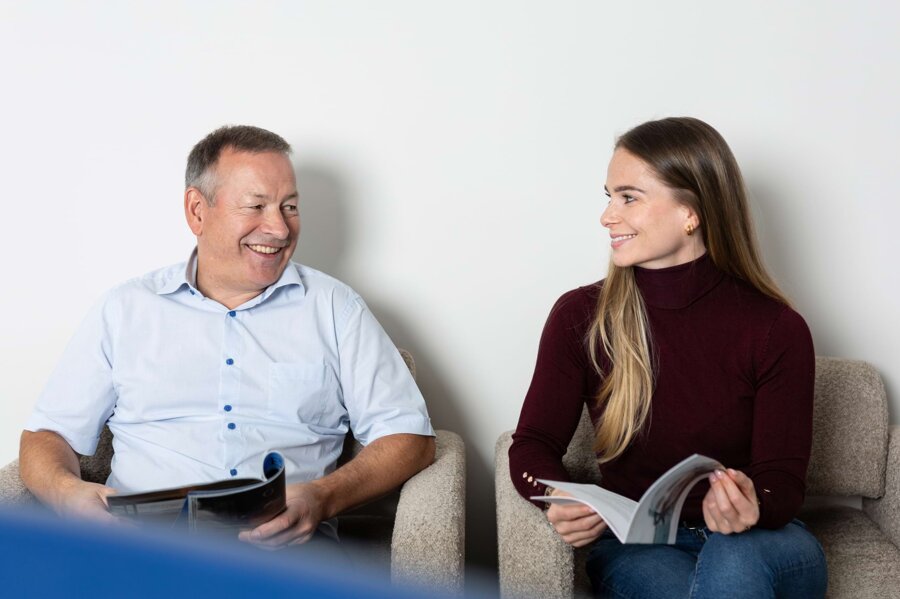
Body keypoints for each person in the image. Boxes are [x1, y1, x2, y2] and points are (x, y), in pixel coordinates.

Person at [19, 125, 435, 551]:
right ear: (197, 211)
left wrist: (323, 497)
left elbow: (410, 438)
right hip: (141, 550)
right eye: (256, 206)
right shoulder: (125, 309)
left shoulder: (334, 308)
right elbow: (48, 435)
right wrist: (68, 494)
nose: (278, 227)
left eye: (289, 206)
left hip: (284, 556)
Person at [509, 117, 827, 598]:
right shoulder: (581, 317)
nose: (607, 216)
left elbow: (782, 482)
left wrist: (752, 506)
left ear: (690, 213)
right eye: (609, 196)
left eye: (629, 197)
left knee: (733, 556)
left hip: (765, 541)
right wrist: (559, 495)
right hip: (642, 547)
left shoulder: (776, 329)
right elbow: (531, 444)